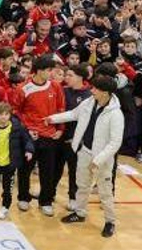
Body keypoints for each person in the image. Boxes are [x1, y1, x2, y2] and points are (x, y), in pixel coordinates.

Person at [50, 75, 124, 238]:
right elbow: (73, 114)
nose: (92, 91)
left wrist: (98, 161)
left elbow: (115, 143)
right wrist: (52, 119)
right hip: (85, 151)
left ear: (105, 93)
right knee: (81, 185)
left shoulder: (116, 114)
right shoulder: (89, 102)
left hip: (102, 159)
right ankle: (80, 212)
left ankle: (110, 221)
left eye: (95, 89)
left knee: (105, 192)